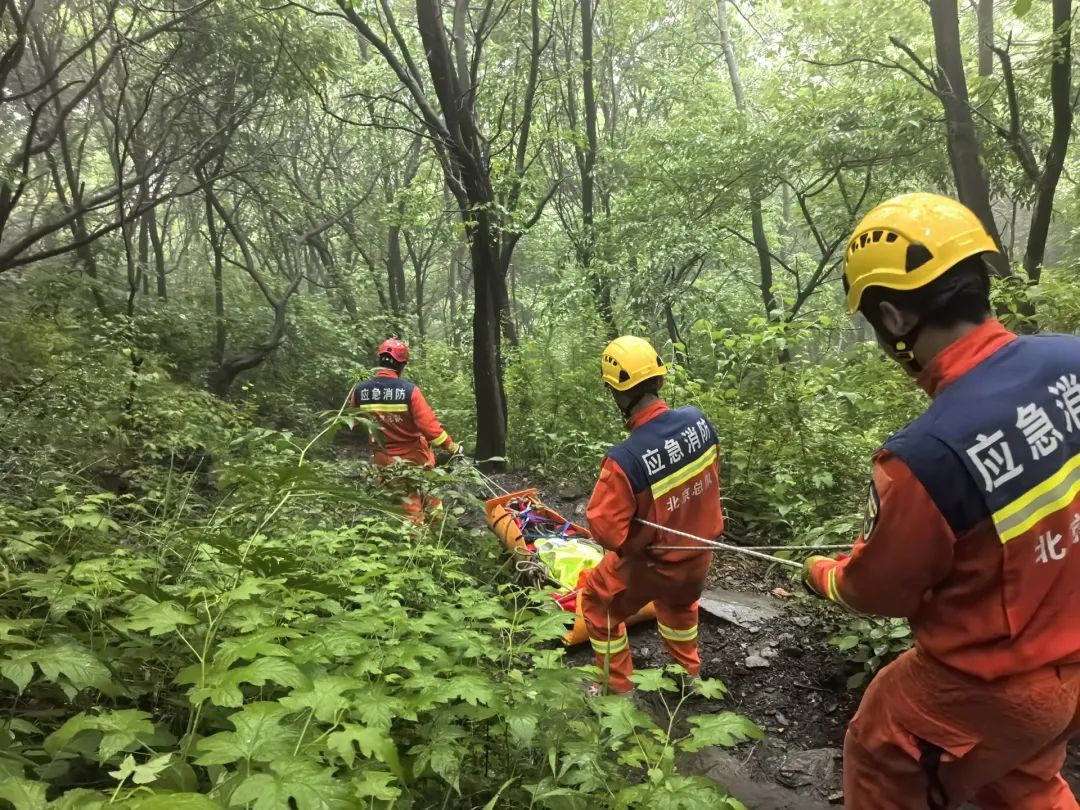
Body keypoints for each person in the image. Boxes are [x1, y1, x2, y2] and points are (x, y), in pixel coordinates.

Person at [803, 193, 1080, 809]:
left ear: (894, 318)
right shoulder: (1073, 358)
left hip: (990, 686)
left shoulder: (924, 457)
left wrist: (823, 575)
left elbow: (878, 591)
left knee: (880, 749)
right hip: (1067, 669)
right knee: (1026, 777)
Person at [581, 335, 724, 695]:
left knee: (597, 601)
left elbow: (606, 532)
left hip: (654, 564)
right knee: (679, 605)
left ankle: (617, 689)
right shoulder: (699, 423)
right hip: (699, 556)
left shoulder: (625, 460)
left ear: (616, 392)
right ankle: (687, 676)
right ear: (659, 380)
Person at [350, 338, 459, 520]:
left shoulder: (360, 391)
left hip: (382, 458)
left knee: (400, 500)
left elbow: (354, 423)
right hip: (414, 457)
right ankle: (430, 533)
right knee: (422, 500)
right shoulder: (409, 391)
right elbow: (430, 429)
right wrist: (451, 447)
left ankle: (424, 530)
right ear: (401, 365)